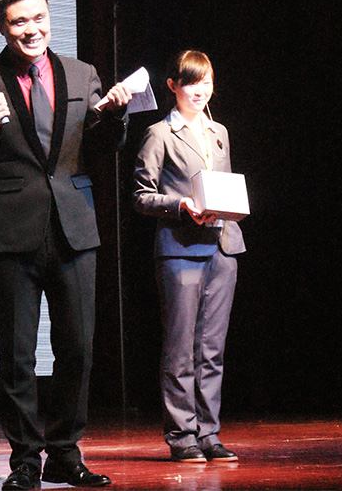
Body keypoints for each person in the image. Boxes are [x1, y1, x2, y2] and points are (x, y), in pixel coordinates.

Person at [0, 0, 131, 490]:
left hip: (75, 227)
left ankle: (65, 454)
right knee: (18, 356)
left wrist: (116, 116)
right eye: (19, 22)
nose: (32, 30)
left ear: (50, 15)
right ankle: (26, 461)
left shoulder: (81, 72)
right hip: (15, 232)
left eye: (39, 18)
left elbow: (100, 145)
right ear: (1, 27)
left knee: (78, 348)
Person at [133, 51, 245, 464]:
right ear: (173, 86)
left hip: (223, 246)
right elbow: (141, 196)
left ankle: (209, 433)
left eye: (207, 82)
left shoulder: (219, 132)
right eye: (192, 82)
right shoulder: (159, 134)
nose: (201, 90)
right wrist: (180, 205)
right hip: (180, 248)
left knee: (212, 350)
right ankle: (182, 436)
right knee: (180, 349)